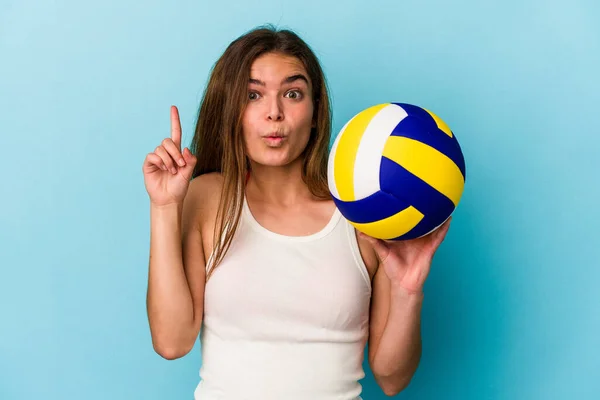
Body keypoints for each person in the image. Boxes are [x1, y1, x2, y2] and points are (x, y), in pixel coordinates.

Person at [143, 25, 451, 400]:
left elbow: (391, 378)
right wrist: (164, 206)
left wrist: (408, 291)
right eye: (253, 95)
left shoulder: (363, 212)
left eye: (292, 93)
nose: (274, 113)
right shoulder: (207, 198)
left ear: (316, 111)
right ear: (231, 111)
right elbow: (172, 342)